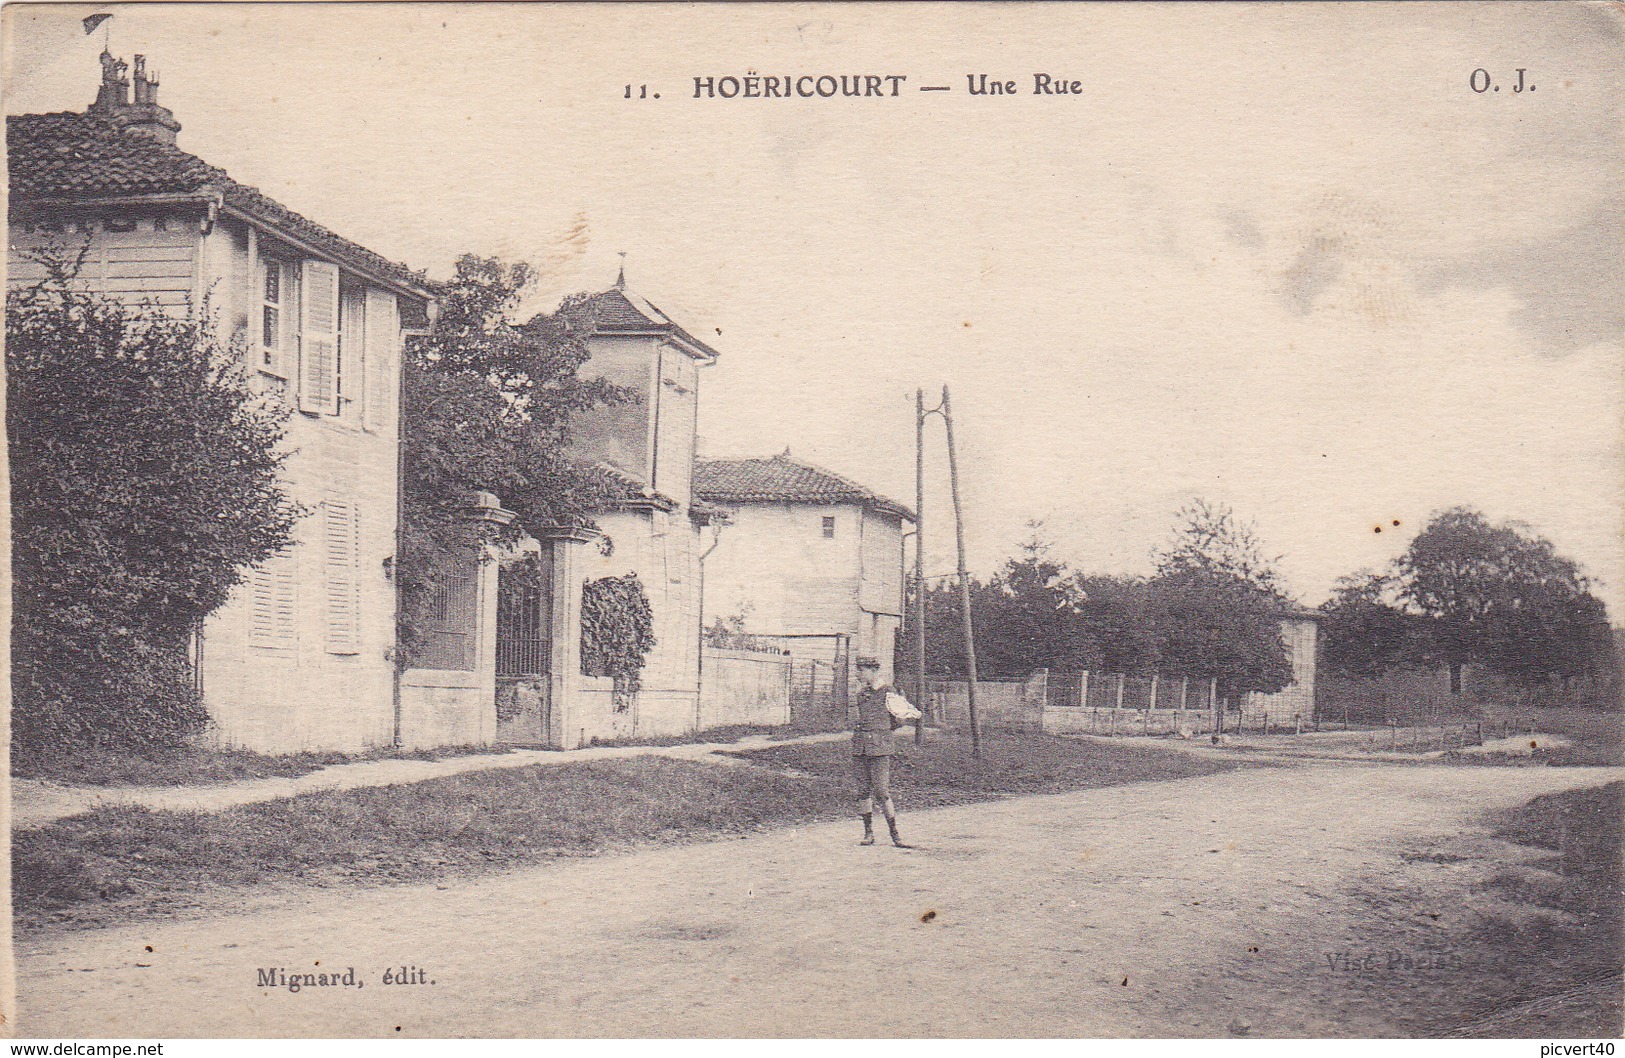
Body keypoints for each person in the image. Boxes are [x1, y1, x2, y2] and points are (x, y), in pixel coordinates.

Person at [850, 655, 913, 847]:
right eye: (858, 670)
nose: (858, 674)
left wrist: (881, 733)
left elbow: (899, 720)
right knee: (862, 791)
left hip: (879, 748)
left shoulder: (889, 692)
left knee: (881, 791)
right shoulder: (861, 694)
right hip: (860, 747)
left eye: (862, 670)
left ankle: (895, 834)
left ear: (874, 671)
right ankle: (868, 833)